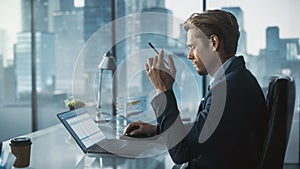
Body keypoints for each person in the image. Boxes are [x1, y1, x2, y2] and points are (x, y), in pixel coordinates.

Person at [124, 9, 269, 169]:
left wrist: (163, 90)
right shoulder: (235, 80)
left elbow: (181, 152)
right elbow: (204, 130)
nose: (189, 55)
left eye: (193, 47)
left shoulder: (228, 89)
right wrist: (157, 129)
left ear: (214, 42)